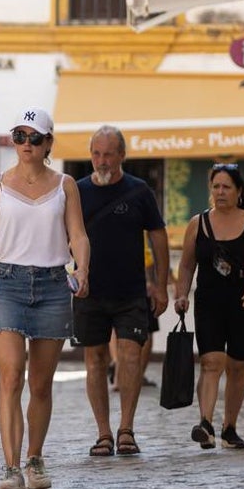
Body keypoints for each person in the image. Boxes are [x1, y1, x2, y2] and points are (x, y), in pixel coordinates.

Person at [0, 108, 90, 489]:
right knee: (10, 375)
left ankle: (35, 459)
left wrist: (83, 268)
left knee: (40, 383)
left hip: (54, 285)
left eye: (34, 137)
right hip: (6, 283)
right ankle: (11, 469)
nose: (25, 144)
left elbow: (78, 234)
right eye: (19, 136)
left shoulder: (66, 185)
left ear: (49, 143)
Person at [73, 125, 168, 457]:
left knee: (129, 356)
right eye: (96, 154)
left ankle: (126, 428)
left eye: (108, 154)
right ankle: (103, 433)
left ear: (122, 156)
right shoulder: (78, 191)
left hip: (131, 291)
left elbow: (158, 237)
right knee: (95, 360)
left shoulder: (139, 191)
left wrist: (160, 284)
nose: (102, 161)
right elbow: (65, 235)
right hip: (90, 291)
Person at [173, 163, 244, 451]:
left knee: (237, 365)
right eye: (216, 186)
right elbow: (187, 263)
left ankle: (230, 427)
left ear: (239, 192)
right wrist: (181, 293)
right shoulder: (197, 223)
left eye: (227, 187)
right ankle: (205, 424)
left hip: (243, 303)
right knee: (211, 362)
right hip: (208, 303)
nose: (220, 192)